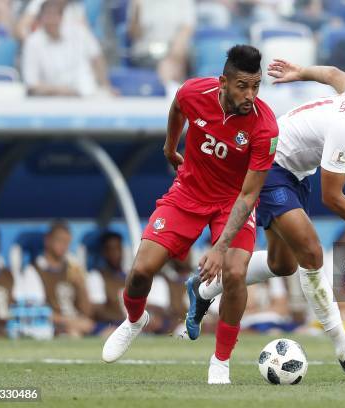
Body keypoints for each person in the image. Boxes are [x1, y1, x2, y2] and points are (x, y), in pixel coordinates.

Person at [185, 59, 345, 375]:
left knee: (283, 265)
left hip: (295, 172)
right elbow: (332, 198)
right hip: (270, 164)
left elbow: (335, 73)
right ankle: (344, 349)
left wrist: (300, 73)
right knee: (311, 251)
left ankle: (203, 288)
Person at [101, 45, 279, 385]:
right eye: (243, 85)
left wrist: (221, 247)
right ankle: (134, 320)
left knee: (236, 272)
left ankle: (221, 361)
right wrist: (170, 146)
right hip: (188, 192)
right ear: (224, 82)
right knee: (141, 270)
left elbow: (249, 194)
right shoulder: (194, 92)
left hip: (232, 202)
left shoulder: (265, 127)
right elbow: (178, 107)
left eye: (256, 86)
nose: (251, 94)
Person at [21, 0, 112, 97]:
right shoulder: (32, 43)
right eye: (47, 16)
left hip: (88, 96)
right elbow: (31, 85)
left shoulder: (80, 33)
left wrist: (106, 87)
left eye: (55, 15)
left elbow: (96, 57)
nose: (51, 20)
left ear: (61, 17)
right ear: (40, 19)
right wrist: (61, 91)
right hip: (52, 102)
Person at [24, 220, 95, 337]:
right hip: (53, 328)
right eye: (60, 240)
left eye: (67, 242)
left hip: (79, 323)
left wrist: (81, 286)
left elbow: (87, 313)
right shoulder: (34, 271)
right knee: (73, 333)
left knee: (109, 333)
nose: (64, 246)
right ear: (47, 240)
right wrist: (70, 322)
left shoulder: (72, 269)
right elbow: (37, 312)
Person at [128, 0, 195, 85]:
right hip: (146, 52)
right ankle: (172, 89)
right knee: (167, 66)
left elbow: (187, 29)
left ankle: (174, 88)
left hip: (175, 51)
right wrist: (137, 13)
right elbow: (134, 35)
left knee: (178, 57)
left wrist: (172, 56)